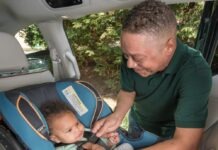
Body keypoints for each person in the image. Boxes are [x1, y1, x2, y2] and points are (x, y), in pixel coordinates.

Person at [92, 0, 212, 150]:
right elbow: (128, 91)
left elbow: (187, 143)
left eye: (137, 58)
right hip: (138, 125)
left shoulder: (196, 72)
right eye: (126, 55)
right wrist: (117, 116)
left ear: (169, 47)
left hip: (171, 137)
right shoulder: (132, 54)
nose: (129, 64)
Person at [40, 100, 133, 150]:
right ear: (55, 138)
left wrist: (111, 142)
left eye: (77, 123)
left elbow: (105, 145)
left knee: (127, 146)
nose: (78, 129)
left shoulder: (87, 133)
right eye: (69, 130)